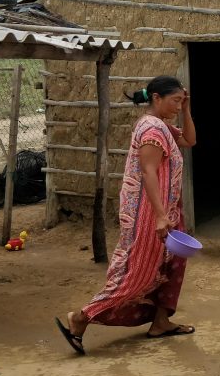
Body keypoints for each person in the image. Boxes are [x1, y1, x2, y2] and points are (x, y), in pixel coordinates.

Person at [55, 76, 196, 355]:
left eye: (182, 101)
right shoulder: (152, 130)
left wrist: (188, 109)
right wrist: (159, 216)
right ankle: (81, 317)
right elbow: (149, 173)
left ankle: (161, 322)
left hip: (165, 210)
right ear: (156, 98)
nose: (179, 106)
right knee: (138, 274)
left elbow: (190, 140)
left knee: (171, 266)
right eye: (175, 101)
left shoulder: (164, 126)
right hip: (148, 213)